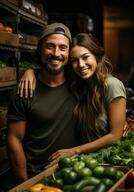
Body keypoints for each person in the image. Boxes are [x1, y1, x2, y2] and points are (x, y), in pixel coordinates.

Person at [17, 33, 127, 166]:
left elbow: (115, 136)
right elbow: (51, 68)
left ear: (97, 56)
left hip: (109, 163)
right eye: (74, 60)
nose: (81, 65)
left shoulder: (112, 85)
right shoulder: (80, 86)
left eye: (85, 57)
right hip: (86, 163)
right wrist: (30, 72)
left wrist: (75, 151)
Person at [7, 23, 82, 182]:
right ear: (40, 49)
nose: (56, 53)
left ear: (69, 52)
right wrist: (25, 184)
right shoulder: (24, 90)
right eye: (50, 46)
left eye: (63, 48)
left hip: (76, 173)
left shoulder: (79, 84)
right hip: (37, 177)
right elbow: (14, 140)